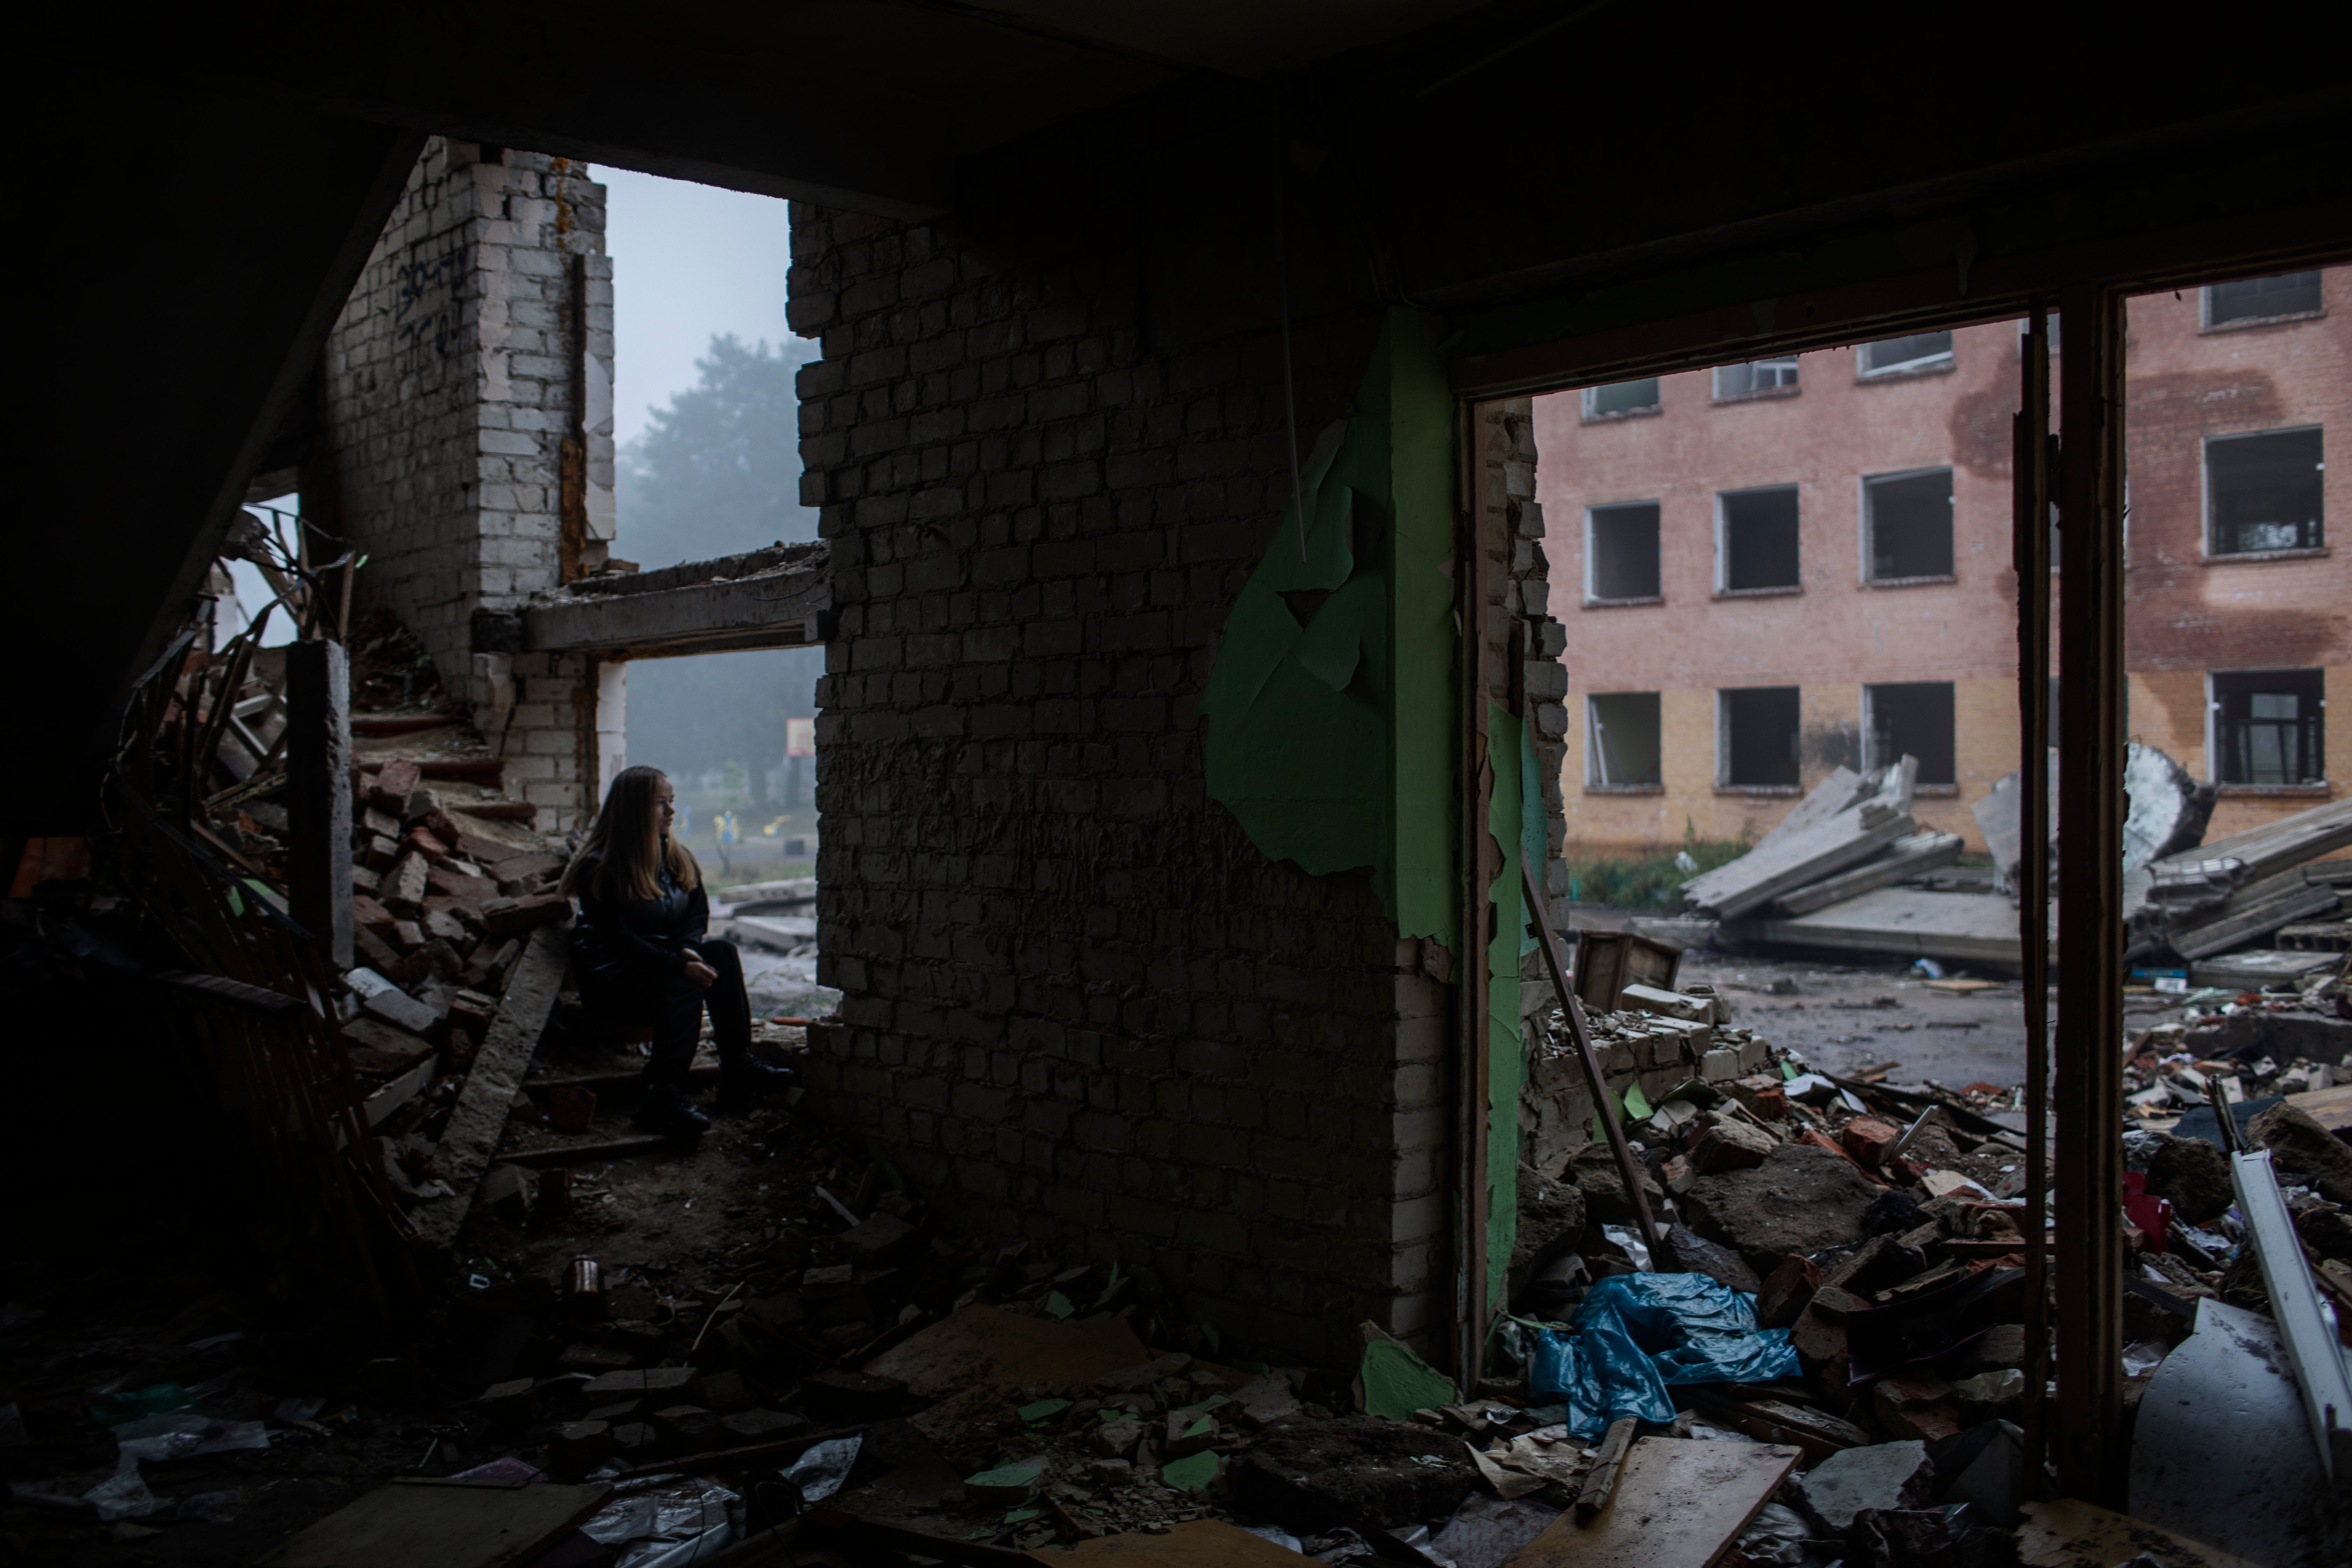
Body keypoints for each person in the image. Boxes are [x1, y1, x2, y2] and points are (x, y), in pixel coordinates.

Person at [559, 765, 794, 1136]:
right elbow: (621, 944)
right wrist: (679, 966)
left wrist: (687, 948)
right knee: (684, 985)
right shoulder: (600, 867)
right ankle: (661, 1096)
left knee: (722, 954)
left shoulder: (674, 854)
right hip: (614, 979)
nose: (671, 812)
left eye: (672, 802)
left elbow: (698, 911)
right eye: (659, 804)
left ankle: (738, 1070)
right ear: (634, 809)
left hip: (661, 964)